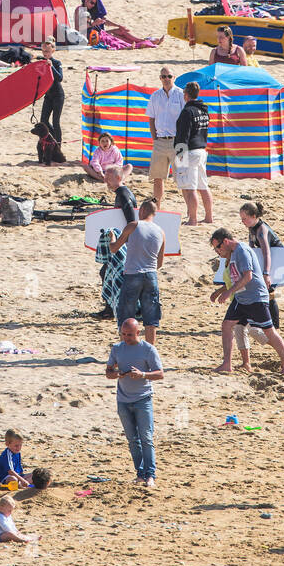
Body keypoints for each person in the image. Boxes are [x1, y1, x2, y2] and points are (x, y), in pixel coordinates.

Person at [209, 227, 284, 375]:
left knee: (268, 331)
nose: (217, 251)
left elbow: (247, 277)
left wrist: (229, 292)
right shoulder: (233, 254)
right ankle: (227, 364)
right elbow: (234, 279)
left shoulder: (241, 251)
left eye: (218, 247)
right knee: (227, 325)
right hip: (241, 299)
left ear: (226, 241)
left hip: (256, 297)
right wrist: (220, 291)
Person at [105, 317, 164, 489]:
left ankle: (150, 475)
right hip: (123, 400)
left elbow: (160, 374)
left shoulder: (148, 349)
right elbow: (108, 372)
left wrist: (143, 375)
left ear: (138, 333)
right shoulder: (117, 348)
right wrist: (118, 374)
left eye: (129, 335)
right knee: (132, 440)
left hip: (143, 399)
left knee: (146, 438)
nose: (126, 338)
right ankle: (140, 474)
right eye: (123, 334)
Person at [109, 199, 164, 345]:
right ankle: (150, 352)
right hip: (151, 275)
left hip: (133, 274)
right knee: (151, 319)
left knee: (126, 316)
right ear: (154, 213)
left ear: (142, 211)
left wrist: (112, 237)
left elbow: (114, 248)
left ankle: (124, 349)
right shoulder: (160, 232)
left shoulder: (133, 226)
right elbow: (159, 263)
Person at [237, 200, 284, 325]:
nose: (243, 222)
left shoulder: (261, 231)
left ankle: (274, 324)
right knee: (261, 291)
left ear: (254, 216)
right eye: (241, 219)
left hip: (277, 260)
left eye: (245, 219)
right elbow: (252, 250)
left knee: (269, 292)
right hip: (267, 260)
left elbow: (266, 253)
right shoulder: (251, 227)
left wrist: (266, 273)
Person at [172, 80, 212, 225]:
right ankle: (209, 217)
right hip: (202, 150)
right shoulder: (203, 110)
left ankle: (193, 219)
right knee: (203, 186)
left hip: (189, 151)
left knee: (190, 188)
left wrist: (179, 155)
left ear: (186, 95)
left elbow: (183, 135)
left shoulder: (187, 112)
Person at [145, 66, 184, 208]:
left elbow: (187, 118)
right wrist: (155, 138)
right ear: (160, 78)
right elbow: (151, 118)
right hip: (160, 141)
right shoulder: (155, 96)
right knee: (157, 177)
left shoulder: (181, 94)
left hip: (178, 141)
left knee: (184, 178)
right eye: (163, 76)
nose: (166, 79)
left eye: (169, 76)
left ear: (174, 78)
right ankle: (157, 208)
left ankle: (190, 213)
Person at [38, 38, 64, 149]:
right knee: (43, 121)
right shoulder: (41, 62)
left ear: (53, 51)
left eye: (47, 51)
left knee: (55, 121)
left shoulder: (57, 63)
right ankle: (51, 139)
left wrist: (51, 66)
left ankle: (58, 144)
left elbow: (60, 78)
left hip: (58, 95)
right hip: (48, 96)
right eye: (44, 51)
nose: (45, 54)